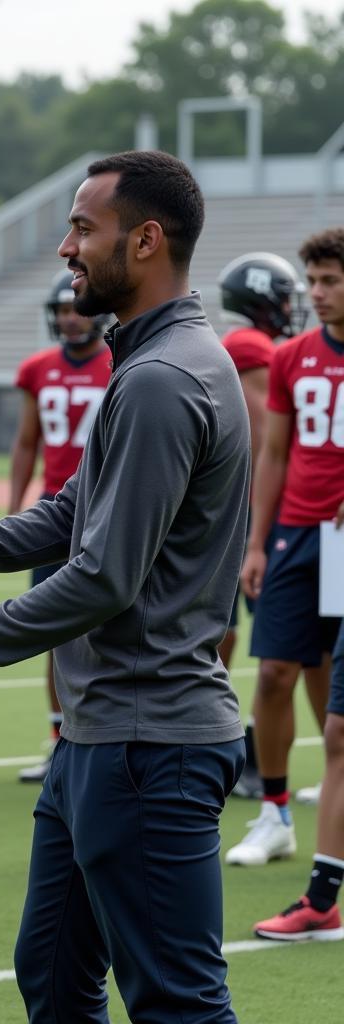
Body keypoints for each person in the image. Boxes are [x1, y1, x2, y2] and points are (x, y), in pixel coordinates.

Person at [0, 150, 248, 1022]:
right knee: (55, 976)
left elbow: (104, 577)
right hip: (100, 739)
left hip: (149, 744)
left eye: (84, 227)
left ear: (145, 241)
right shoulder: (153, 361)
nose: (66, 247)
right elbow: (72, 513)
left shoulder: (161, 379)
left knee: (179, 1004)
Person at [226, 229, 344, 867]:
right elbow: (272, 454)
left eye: (331, 281)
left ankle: (336, 792)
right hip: (296, 533)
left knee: (336, 679)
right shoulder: (293, 356)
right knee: (274, 672)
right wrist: (257, 543)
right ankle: (274, 813)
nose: (319, 294)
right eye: (314, 282)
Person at [9, 269, 111, 783]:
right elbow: (27, 442)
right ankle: (58, 740)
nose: (70, 320)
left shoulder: (118, 363)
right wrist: (14, 502)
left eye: (75, 309)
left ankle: (98, 731)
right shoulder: (37, 369)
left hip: (106, 507)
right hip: (55, 510)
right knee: (53, 629)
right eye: (62, 312)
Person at [217, 251, 310, 801]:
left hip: (247, 511)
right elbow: (266, 437)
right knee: (277, 644)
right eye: (284, 295)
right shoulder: (252, 347)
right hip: (258, 513)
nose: (292, 307)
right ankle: (243, 754)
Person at [253, 509, 344, 942]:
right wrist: (256, 542)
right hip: (309, 530)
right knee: (339, 733)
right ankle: (321, 902)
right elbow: (272, 452)